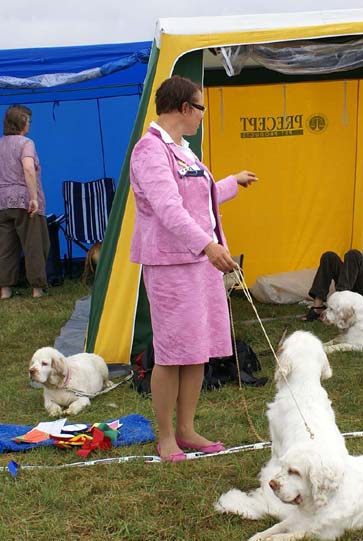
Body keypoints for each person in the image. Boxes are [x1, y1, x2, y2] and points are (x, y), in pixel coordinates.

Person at [129, 75, 258, 462]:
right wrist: (207, 244)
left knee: (197, 348)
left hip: (200, 264)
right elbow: (168, 208)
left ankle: (187, 427)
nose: (203, 115)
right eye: (200, 107)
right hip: (171, 264)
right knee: (171, 353)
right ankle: (166, 435)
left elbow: (199, 199)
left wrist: (231, 183)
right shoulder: (150, 151)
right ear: (184, 108)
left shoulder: (184, 150)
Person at [0, 105, 50, 300]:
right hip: (24, 202)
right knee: (35, 244)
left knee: (5, 248)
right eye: (28, 120)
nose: (30, 124)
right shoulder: (26, 143)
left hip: (1, 204)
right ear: (21, 122)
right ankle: (37, 289)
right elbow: (28, 168)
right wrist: (33, 198)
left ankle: (5, 290)